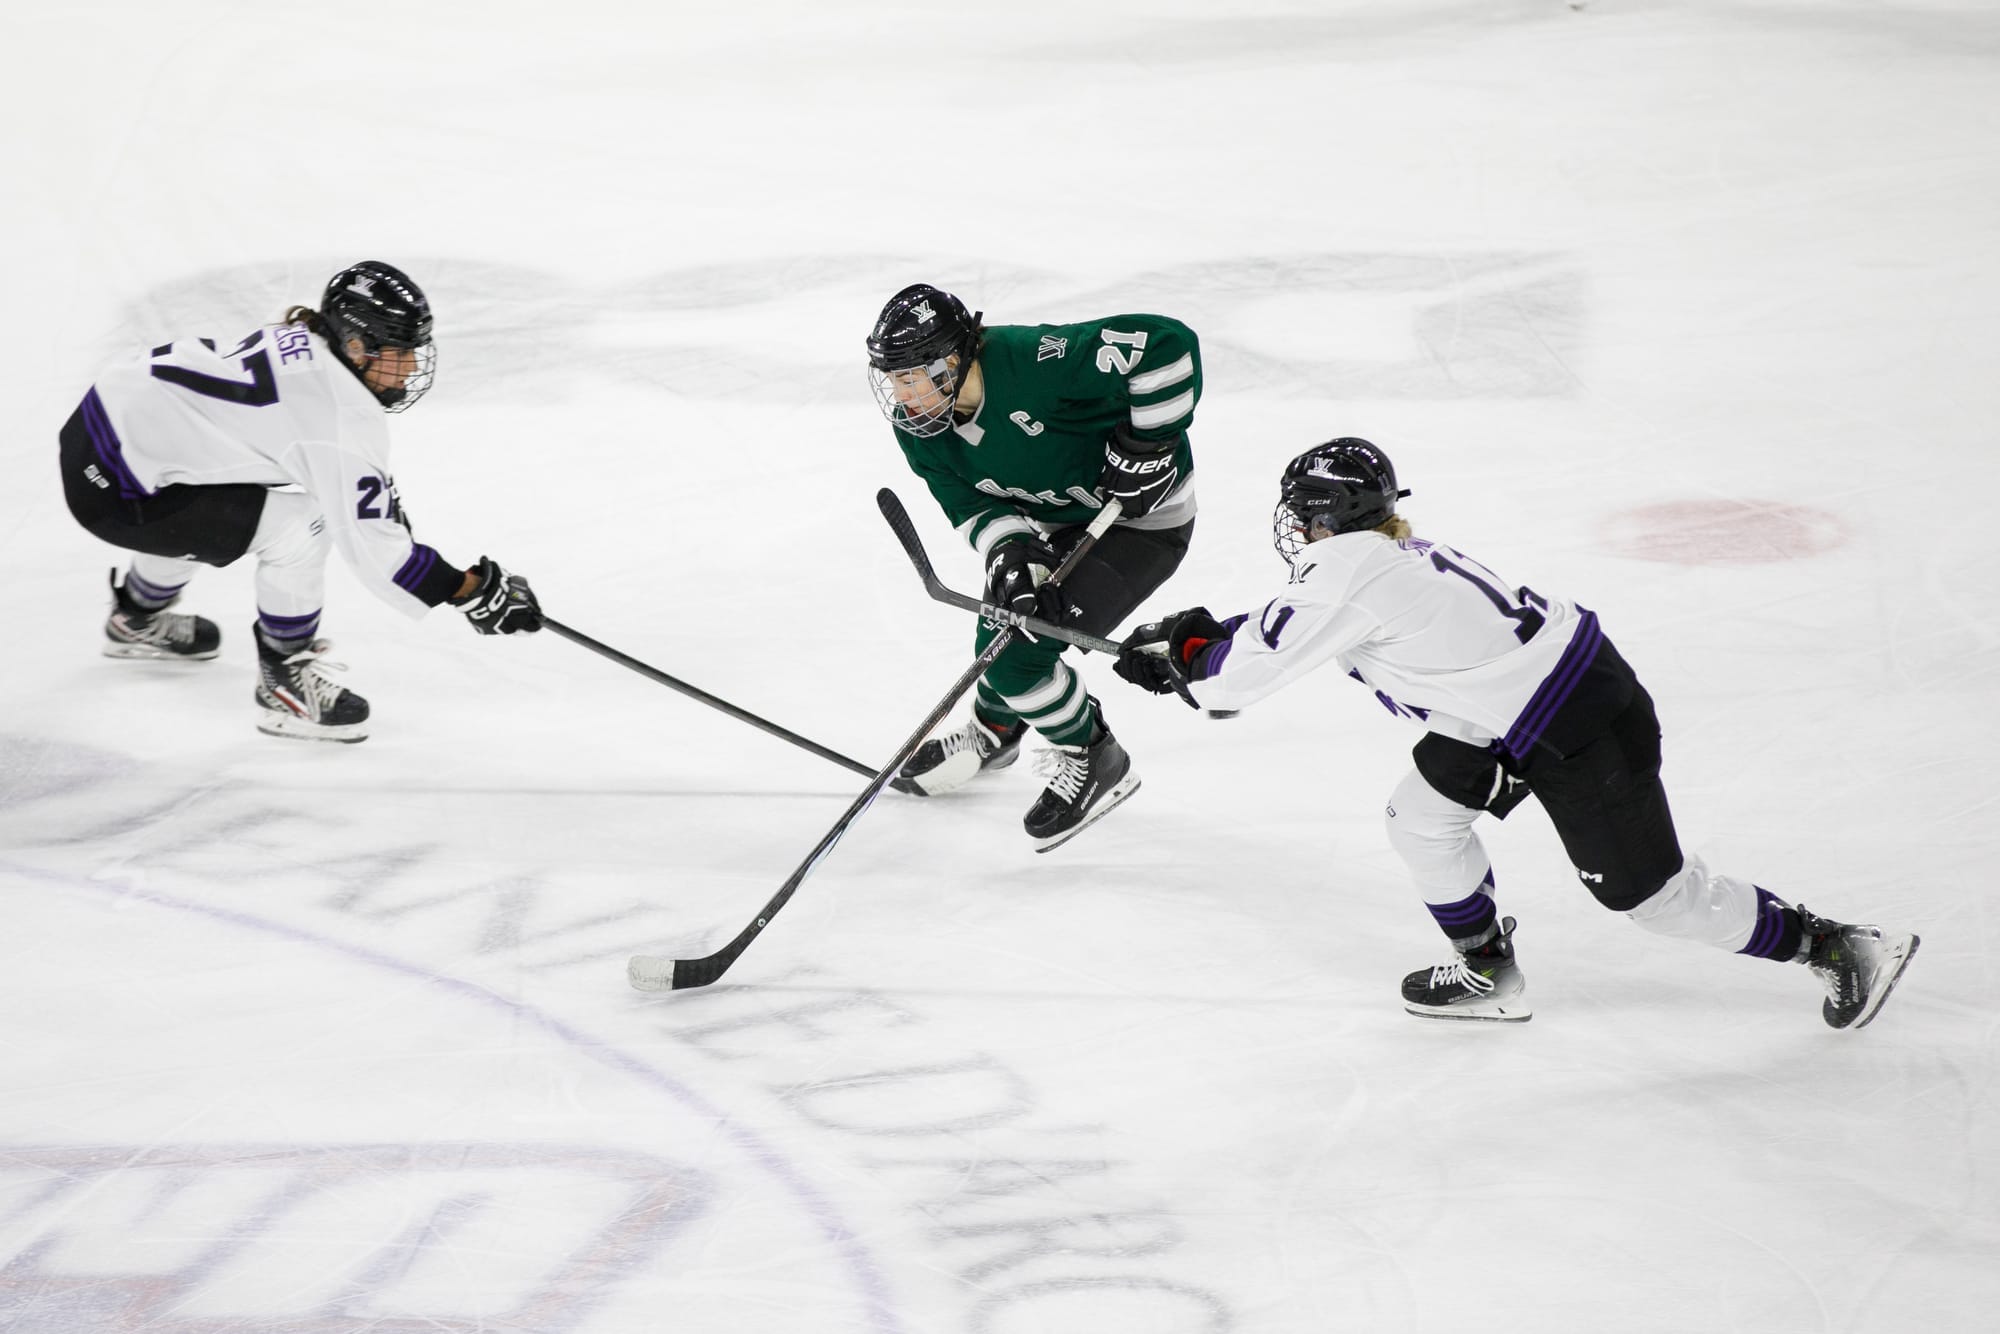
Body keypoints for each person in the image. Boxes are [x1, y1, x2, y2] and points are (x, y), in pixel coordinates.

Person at [1112, 437, 1919, 1028]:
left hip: (1576, 726)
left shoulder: (1345, 574)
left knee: (1653, 898)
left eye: (1298, 511)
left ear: (1320, 517)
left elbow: (1241, 677)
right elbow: (1286, 630)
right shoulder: (1377, 555)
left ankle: (1837, 945)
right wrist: (1197, 638)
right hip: (1522, 702)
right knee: (1420, 819)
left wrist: (1181, 663)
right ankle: (1488, 972)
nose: (1292, 525)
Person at [59, 260, 544, 744]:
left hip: (104, 429)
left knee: (210, 490)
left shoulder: (305, 339)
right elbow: (382, 558)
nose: (414, 366)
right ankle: (283, 684)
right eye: (402, 352)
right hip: (114, 489)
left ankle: (137, 617)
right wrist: (472, 592)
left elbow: (346, 487)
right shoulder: (337, 419)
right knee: (304, 529)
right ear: (356, 347)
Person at [865, 283, 1202, 851]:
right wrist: (1011, 551)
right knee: (1002, 634)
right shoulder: (918, 427)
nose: (901, 395)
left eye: (910, 376)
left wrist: (1153, 442)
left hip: (1143, 526)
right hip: (1062, 527)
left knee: (1018, 660)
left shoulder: (1038, 362)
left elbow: (1168, 345)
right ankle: (996, 732)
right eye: (893, 380)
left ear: (953, 361)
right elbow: (971, 503)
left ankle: (1097, 756)